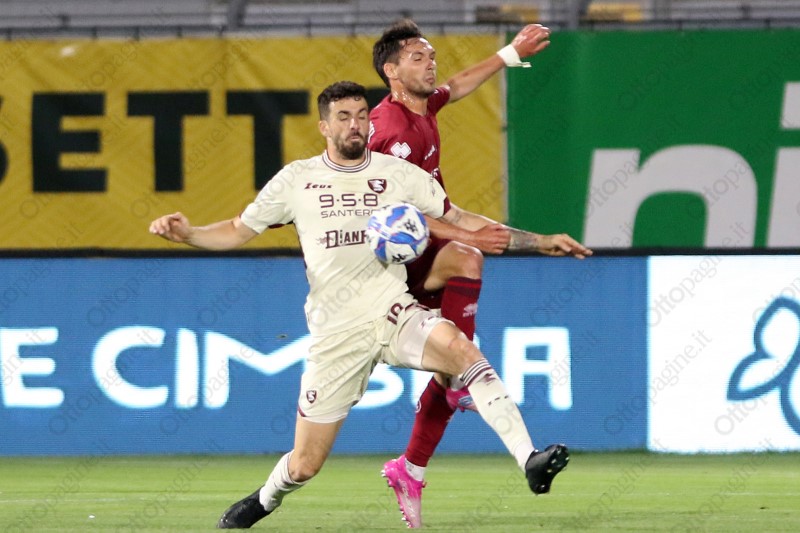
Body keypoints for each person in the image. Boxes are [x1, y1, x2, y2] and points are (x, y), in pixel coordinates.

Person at [150, 81, 583, 529]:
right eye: (343, 117)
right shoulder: (297, 179)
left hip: (393, 311)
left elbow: (462, 220)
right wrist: (190, 234)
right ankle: (264, 499)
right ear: (324, 126)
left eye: (361, 115)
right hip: (337, 333)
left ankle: (529, 459)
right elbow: (238, 229)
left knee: (463, 352)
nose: (355, 124)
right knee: (305, 464)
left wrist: (539, 241)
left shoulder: (397, 174)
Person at [368, 19, 587, 528]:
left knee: (463, 308)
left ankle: (411, 467)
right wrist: (464, 231)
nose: (431, 63)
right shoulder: (390, 132)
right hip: (387, 272)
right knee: (468, 257)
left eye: (431, 54)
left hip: (423, 253)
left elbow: (459, 84)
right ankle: (450, 391)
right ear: (391, 71)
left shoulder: (423, 109)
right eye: (418, 57)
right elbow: (386, 213)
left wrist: (511, 52)